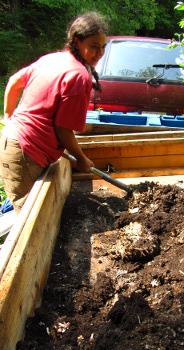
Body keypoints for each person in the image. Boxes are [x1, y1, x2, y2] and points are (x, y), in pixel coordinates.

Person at [0, 12, 108, 214]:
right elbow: (63, 129)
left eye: (103, 47)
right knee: (29, 220)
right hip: (26, 153)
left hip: (18, 145)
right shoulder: (79, 76)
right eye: (94, 46)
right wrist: (81, 159)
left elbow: (15, 82)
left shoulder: (53, 58)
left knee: (25, 206)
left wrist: (8, 118)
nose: (99, 52)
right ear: (77, 41)